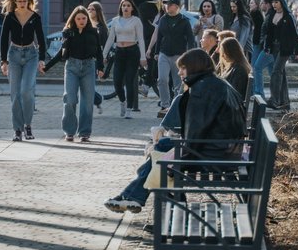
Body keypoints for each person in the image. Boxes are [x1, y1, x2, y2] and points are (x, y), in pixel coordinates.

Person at [103, 48, 246, 213]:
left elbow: (196, 133)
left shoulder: (201, 89)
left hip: (213, 154)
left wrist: (178, 158)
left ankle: (135, 197)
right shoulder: (215, 83)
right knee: (162, 148)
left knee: (162, 157)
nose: (178, 72)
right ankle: (135, 197)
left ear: (194, 67)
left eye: (182, 68)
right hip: (225, 148)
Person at [0, 0, 46, 141]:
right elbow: (3, 38)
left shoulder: (35, 17)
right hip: (13, 55)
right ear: (15, 2)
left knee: (26, 91)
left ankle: (28, 125)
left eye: (24, 1)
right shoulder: (10, 17)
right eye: (19, 1)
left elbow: (41, 38)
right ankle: (17, 130)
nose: (22, 4)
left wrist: (41, 59)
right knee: (15, 94)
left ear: (29, 2)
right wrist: (3, 61)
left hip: (31, 55)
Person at [56, 6, 104, 142]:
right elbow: (62, 53)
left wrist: (100, 67)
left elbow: (99, 52)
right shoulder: (69, 32)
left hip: (89, 67)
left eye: (84, 18)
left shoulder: (94, 32)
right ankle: (69, 131)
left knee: (87, 102)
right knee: (70, 99)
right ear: (74, 20)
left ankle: (84, 132)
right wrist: (47, 66)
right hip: (71, 67)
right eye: (78, 19)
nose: (81, 21)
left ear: (87, 19)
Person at [147, 0, 196, 116]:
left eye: (170, 4)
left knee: (178, 83)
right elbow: (159, 37)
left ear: (177, 6)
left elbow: (190, 39)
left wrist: (189, 55)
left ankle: (176, 105)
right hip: (164, 53)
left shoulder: (184, 21)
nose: (167, 6)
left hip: (179, 55)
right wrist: (156, 52)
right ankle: (165, 105)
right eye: (166, 4)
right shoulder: (163, 19)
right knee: (162, 79)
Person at [102, 0, 147, 119]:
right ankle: (122, 101)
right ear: (120, 7)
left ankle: (129, 109)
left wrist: (143, 57)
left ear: (132, 8)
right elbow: (111, 38)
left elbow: (141, 39)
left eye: (128, 5)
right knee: (117, 81)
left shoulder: (136, 20)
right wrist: (104, 54)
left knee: (129, 81)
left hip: (132, 52)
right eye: (123, 5)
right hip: (119, 52)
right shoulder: (116, 21)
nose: (125, 7)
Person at [263, 0, 298, 111]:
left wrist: (296, 51)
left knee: (276, 72)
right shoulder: (272, 14)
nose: (274, 4)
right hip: (274, 47)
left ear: (282, 3)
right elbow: (269, 33)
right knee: (281, 75)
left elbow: (294, 34)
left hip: (285, 48)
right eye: (273, 2)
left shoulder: (288, 16)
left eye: (276, 2)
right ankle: (285, 102)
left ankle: (274, 100)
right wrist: (267, 47)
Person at [251, 0, 274, 98]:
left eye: (252, 3)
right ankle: (274, 96)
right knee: (271, 71)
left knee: (256, 67)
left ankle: (258, 93)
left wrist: (262, 43)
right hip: (265, 45)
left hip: (266, 46)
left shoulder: (258, 15)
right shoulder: (265, 15)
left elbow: (264, 32)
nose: (249, 5)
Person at [218, 37, 251, 108]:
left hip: (230, 109)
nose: (222, 55)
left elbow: (235, 93)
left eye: (224, 52)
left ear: (231, 52)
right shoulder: (235, 67)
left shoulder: (239, 70)